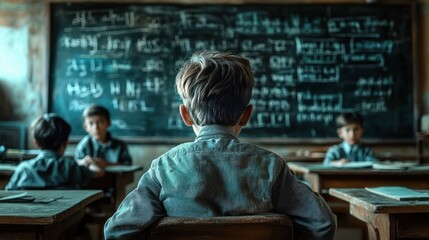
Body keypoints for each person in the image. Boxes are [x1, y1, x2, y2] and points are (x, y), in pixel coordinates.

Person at [104, 51, 336, 240]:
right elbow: (322, 222)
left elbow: (117, 231)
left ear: (185, 115)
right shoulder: (271, 166)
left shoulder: (164, 167)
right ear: (246, 116)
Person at [5, 113, 104, 190]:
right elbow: (98, 172)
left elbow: (9, 193)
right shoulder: (70, 166)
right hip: (66, 216)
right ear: (65, 143)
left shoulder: (24, 169)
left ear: (36, 143)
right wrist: (88, 161)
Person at [75, 104, 132, 168]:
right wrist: (83, 162)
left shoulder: (120, 145)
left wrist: (106, 164)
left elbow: (128, 166)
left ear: (108, 123)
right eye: (91, 123)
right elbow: (75, 166)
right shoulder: (83, 146)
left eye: (100, 122)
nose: (96, 127)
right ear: (85, 127)